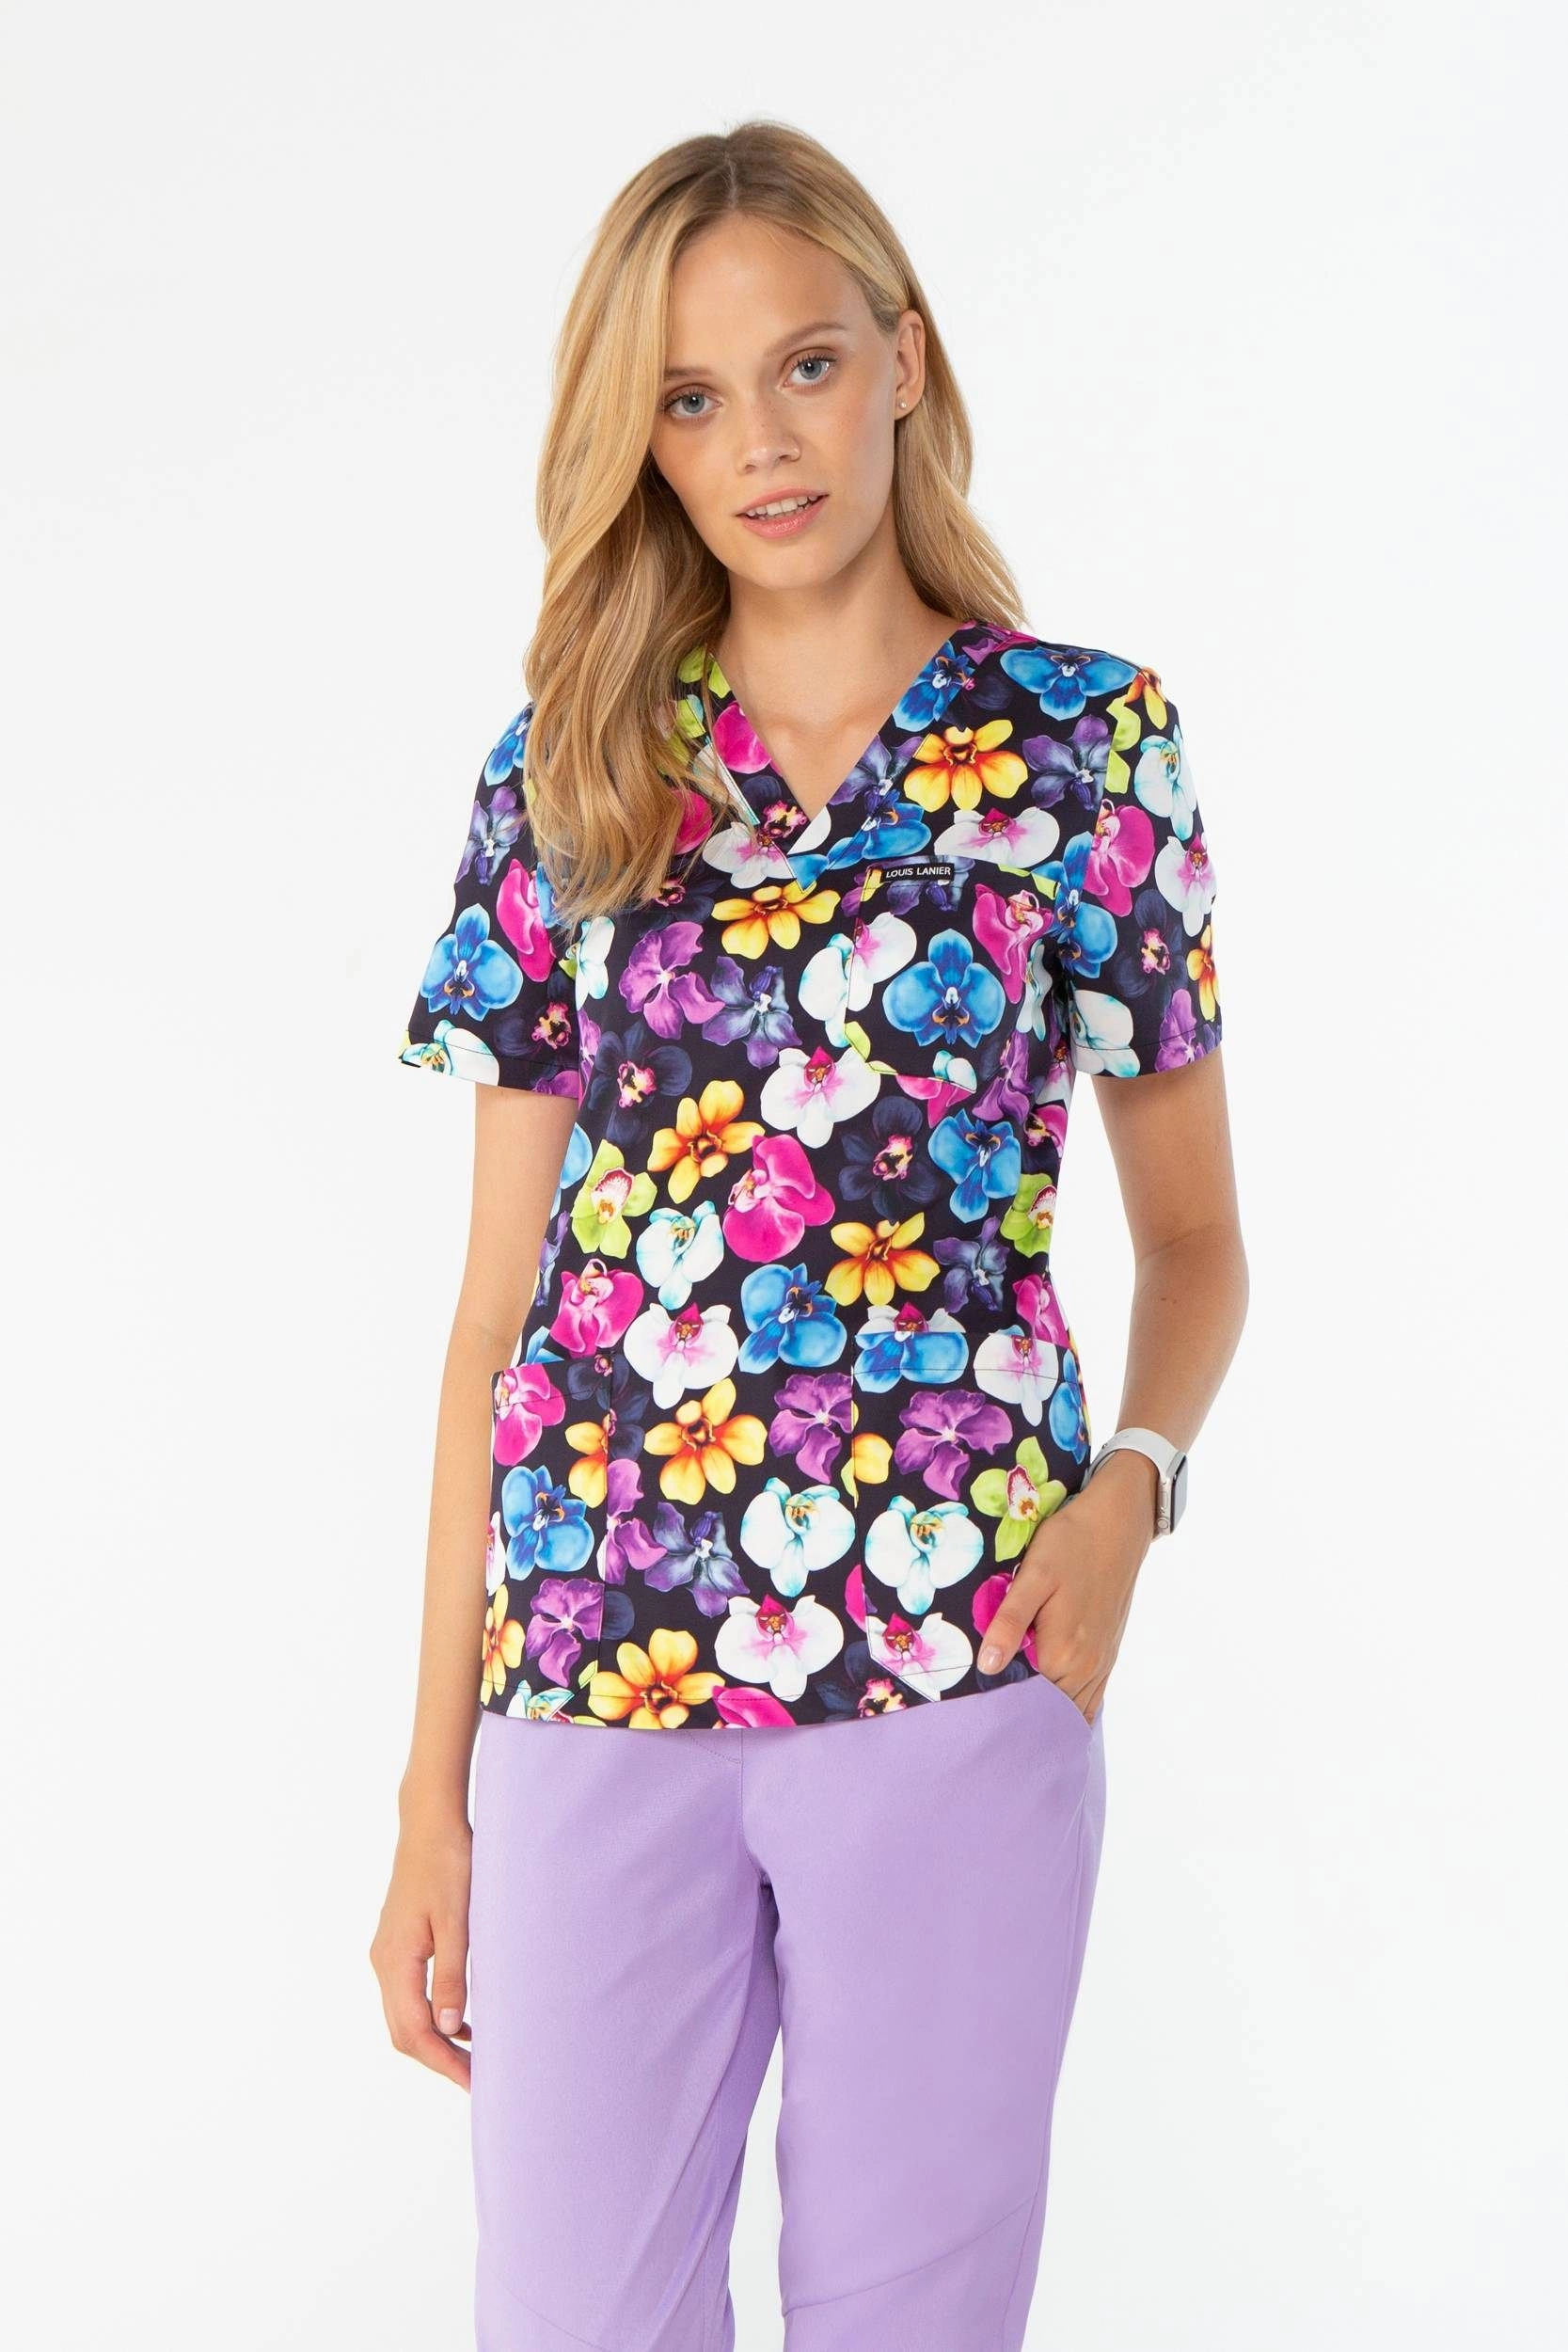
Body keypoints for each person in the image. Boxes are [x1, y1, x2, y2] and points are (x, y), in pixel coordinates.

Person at [371, 119, 1249, 2352]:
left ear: (902, 363)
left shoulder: (1081, 746)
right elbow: (493, 1316)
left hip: (956, 1664)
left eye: (804, 365)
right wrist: (429, 1796)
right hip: (590, 1677)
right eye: (688, 397)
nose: (758, 440)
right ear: (638, 439)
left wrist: (1130, 1496)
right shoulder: (569, 772)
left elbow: (1194, 1240)